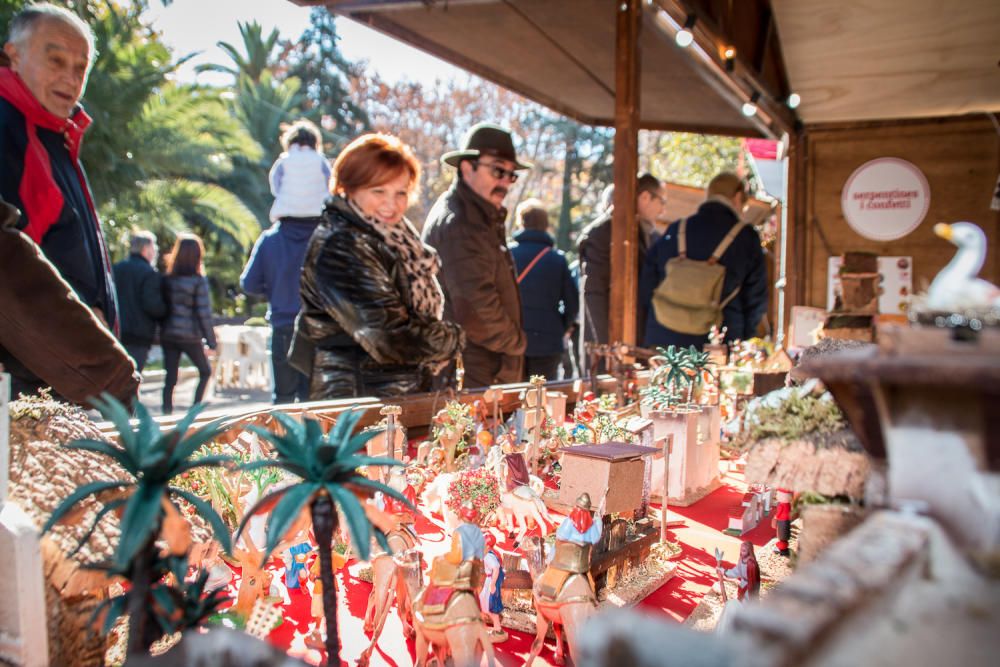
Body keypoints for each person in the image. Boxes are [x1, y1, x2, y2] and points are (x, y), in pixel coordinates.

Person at [0, 4, 122, 396]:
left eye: (80, 68)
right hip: (30, 385)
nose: (69, 78)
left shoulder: (56, 135)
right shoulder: (7, 129)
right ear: (14, 55)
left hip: (63, 378)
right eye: (55, 61)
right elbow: (13, 272)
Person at [289, 133, 464, 399]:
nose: (391, 204)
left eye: (401, 193)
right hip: (356, 401)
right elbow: (389, 338)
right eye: (378, 191)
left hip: (391, 395)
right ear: (349, 187)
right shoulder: (343, 244)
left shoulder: (393, 238)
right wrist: (454, 339)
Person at [423, 123, 530, 388]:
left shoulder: (478, 216)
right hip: (472, 373)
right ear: (467, 166)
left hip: (482, 370)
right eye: (497, 170)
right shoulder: (460, 223)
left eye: (511, 175)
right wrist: (518, 343)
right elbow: (477, 312)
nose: (505, 181)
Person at [241, 122, 328, 404]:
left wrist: (277, 289)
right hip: (319, 328)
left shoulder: (270, 240)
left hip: (283, 326)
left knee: (284, 400)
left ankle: (285, 450)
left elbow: (249, 284)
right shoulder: (329, 240)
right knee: (315, 404)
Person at [640, 171, 768, 349]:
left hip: (664, 340)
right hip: (718, 342)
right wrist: (742, 339)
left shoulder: (677, 229)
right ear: (737, 198)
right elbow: (756, 298)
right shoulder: (746, 237)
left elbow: (647, 284)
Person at [578, 174, 666, 346]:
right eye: (662, 202)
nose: (663, 210)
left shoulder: (639, 231)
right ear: (646, 197)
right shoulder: (604, 232)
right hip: (609, 346)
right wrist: (609, 348)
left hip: (630, 341)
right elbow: (594, 292)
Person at [509, 199, 579, 381]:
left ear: (521, 222)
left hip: (513, 338)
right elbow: (572, 303)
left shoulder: (508, 255)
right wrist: (559, 327)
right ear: (546, 225)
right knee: (543, 398)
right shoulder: (557, 259)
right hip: (548, 340)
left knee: (512, 398)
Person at [160, 234, 217, 414]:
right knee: (205, 371)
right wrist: (211, 341)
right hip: (189, 335)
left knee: (170, 377)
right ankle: (193, 412)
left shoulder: (167, 279)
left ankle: (166, 414)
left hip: (169, 334)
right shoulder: (198, 281)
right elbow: (204, 313)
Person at [113, 231, 167, 372]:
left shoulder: (117, 268)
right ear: (146, 248)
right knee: (132, 378)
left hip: (116, 332)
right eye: (154, 247)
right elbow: (152, 305)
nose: (155, 251)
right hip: (139, 336)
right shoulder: (149, 273)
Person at [267, 118, 331, 224]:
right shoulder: (321, 161)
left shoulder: (283, 161)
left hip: (287, 214)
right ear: (315, 142)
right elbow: (330, 184)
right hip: (316, 215)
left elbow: (275, 187)